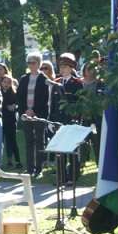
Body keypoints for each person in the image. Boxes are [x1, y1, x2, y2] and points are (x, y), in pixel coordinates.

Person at [51, 53, 84, 184]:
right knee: (60, 151)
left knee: (72, 150)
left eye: (65, 67)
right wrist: (51, 120)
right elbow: (53, 104)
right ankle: (61, 177)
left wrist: (79, 122)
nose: (62, 69)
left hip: (71, 120)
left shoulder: (77, 84)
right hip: (59, 120)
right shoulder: (56, 83)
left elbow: (80, 104)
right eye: (61, 67)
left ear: (71, 68)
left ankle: (73, 177)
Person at [17, 52, 50, 177]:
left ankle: (39, 169)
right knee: (29, 141)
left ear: (39, 63)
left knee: (40, 141)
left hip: (39, 114)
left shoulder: (43, 79)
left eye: (33, 62)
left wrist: (34, 110)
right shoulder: (24, 78)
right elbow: (19, 96)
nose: (31, 65)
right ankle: (30, 168)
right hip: (26, 115)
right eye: (29, 63)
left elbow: (44, 98)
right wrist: (25, 110)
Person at [0, 75, 22, 169]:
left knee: (12, 141)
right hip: (0, 120)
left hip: (10, 120)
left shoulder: (13, 93)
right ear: (1, 82)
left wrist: (14, 107)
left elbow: (18, 105)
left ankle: (17, 161)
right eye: (4, 82)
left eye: (8, 82)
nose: (6, 84)